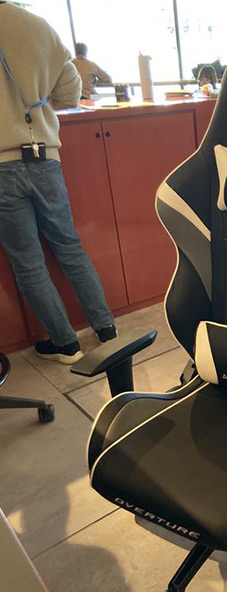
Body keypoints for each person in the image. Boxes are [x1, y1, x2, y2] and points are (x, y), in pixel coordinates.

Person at [0, 2, 116, 364]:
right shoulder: (37, 25)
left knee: (28, 262)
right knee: (69, 246)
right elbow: (69, 93)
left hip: (1, 165)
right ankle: (106, 328)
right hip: (44, 155)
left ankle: (66, 345)